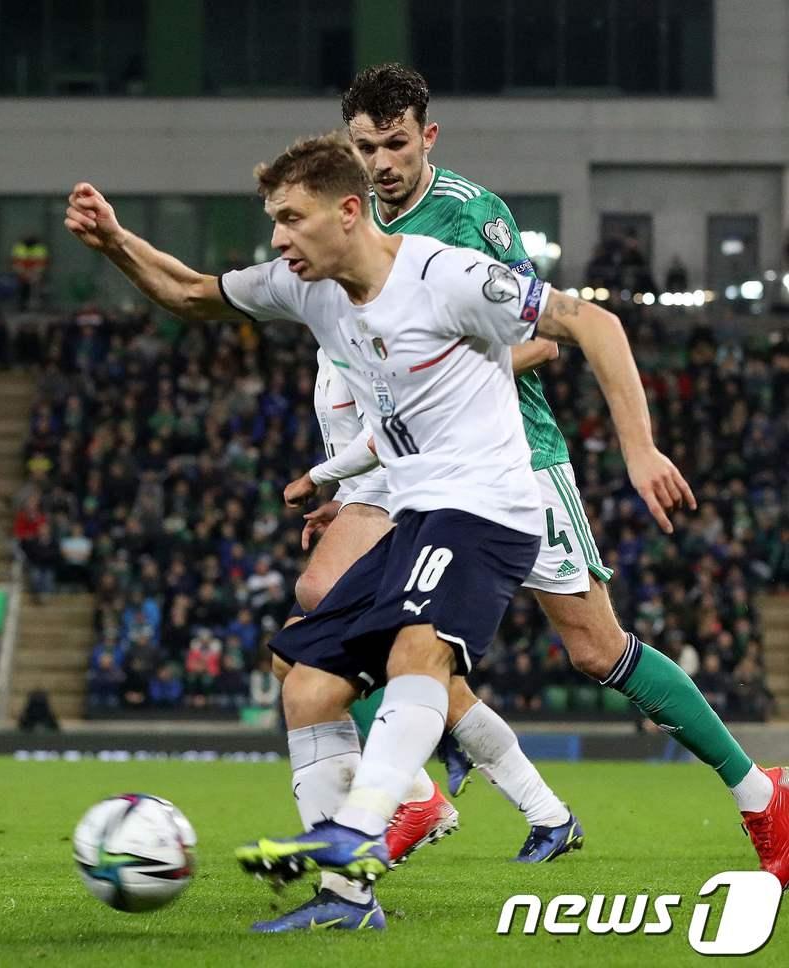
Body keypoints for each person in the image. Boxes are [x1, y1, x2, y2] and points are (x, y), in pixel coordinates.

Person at [63, 130, 697, 932]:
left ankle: (360, 827)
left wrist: (639, 452)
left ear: (350, 211)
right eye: (273, 223)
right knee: (304, 680)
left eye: (291, 219)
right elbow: (189, 294)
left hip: (486, 506)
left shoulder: (446, 274)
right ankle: (346, 898)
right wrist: (117, 241)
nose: (278, 239)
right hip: (409, 509)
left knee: (424, 650)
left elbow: (591, 324)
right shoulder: (307, 287)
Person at [334, 62, 784, 883]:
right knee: (343, 614)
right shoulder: (350, 219)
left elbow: (547, 335)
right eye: (365, 147)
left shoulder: (470, 219)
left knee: (595, 649)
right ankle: (415, 794)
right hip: (418, 469)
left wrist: (637, 447)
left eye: (395, 144)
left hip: (514, 461)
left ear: (427, 136)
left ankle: (761, 796)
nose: (380, 163)